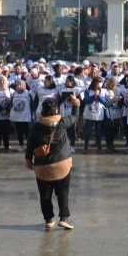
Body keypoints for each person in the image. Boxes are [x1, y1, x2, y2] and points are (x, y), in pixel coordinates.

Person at [25, 95, 80, 230]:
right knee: (63, 192)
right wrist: (76, 104)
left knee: (45, 195)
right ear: (56, 110)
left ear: (42, 111)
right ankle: (64, 218)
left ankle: (49, 220)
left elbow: (30, 145)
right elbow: (75, 116)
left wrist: (28, 159)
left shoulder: (36, 126)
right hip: (62, 164)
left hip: (42, 167)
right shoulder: (62, 122)